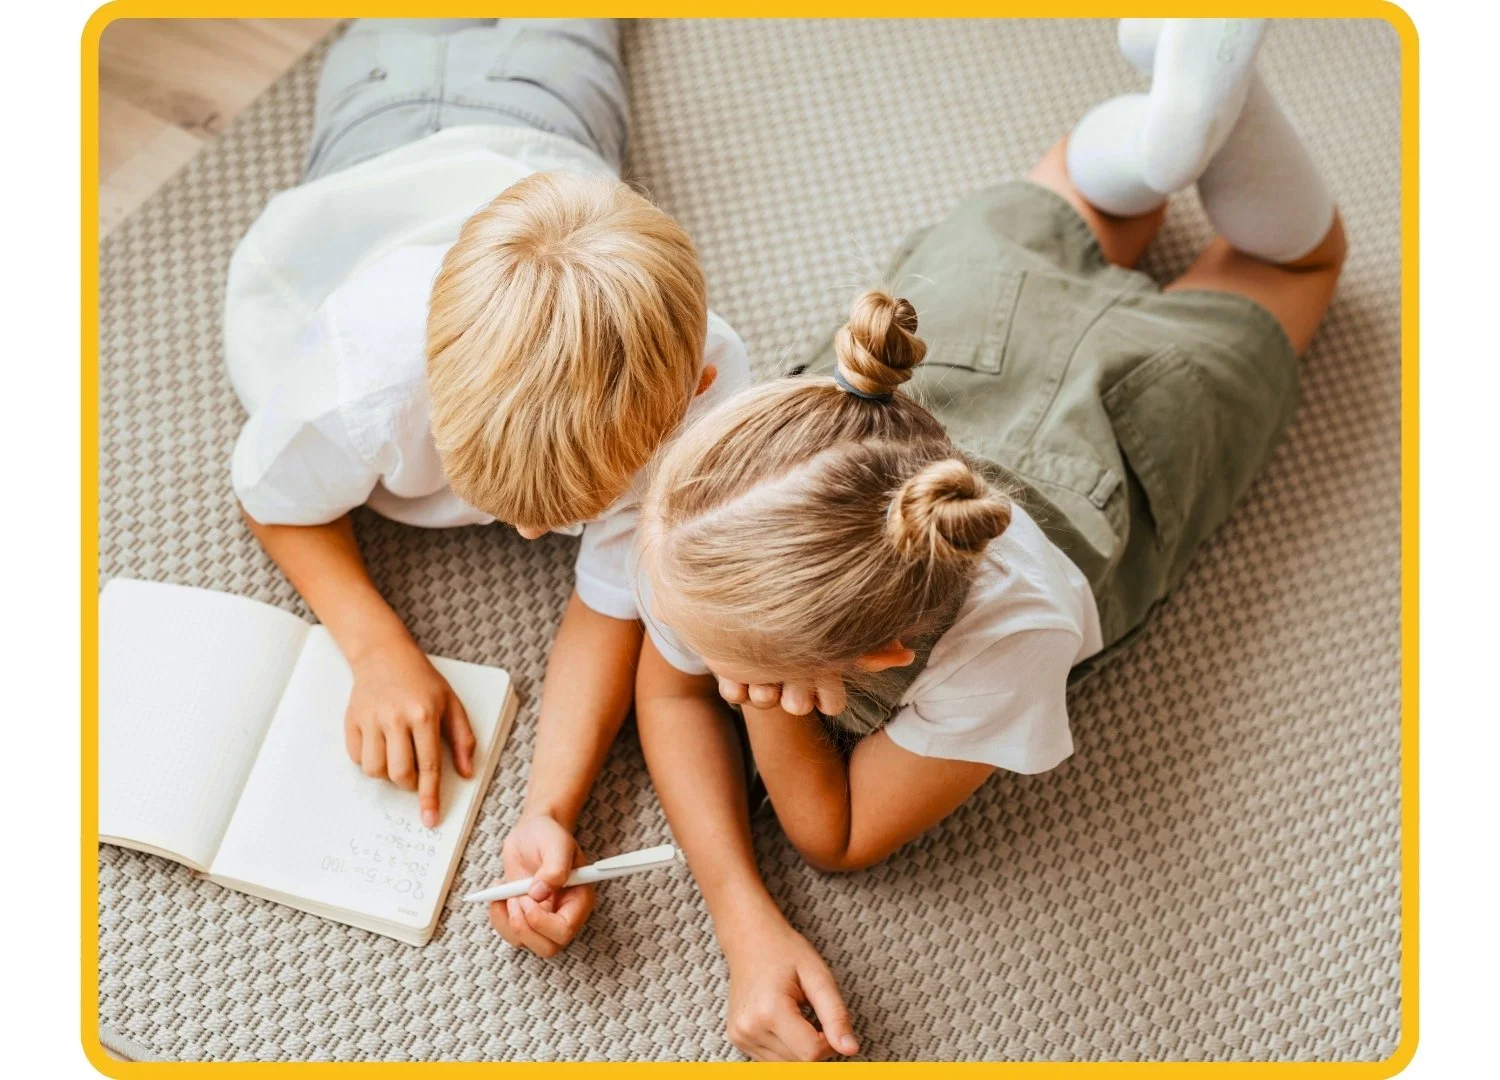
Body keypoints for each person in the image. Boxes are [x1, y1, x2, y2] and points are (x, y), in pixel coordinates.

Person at [631, 18, 1346, 1061]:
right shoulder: (735, 504)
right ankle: (1165, 139)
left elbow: (834, 836)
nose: (671, 637)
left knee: (1300, 262)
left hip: (1129, 420)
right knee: (1083, 197)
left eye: (735, 665)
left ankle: (1180, 135)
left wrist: (763, 708)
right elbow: (665, 690)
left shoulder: (1010, 642)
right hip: (964, 336)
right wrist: (744, 917)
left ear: (882, 656)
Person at [222, 19, 749, 957]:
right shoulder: (365, 381)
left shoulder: (705, 393)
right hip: (381, 124)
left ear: (693, 392)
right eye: (504, 505)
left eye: (567, 514)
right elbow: (270, 497)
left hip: (551, 121)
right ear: (429, 390)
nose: (534, 537)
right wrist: (375, 645)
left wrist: (550, 808)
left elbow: (612, 602)